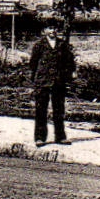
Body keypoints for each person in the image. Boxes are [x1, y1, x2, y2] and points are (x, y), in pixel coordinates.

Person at [29, 16, 76, 147]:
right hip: (43, 81)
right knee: (41, 110)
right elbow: (33, 63)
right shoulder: (39, 45)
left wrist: (72, 72)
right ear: (44, 30)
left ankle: (60, 137)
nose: (52, 31)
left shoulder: (62, 45)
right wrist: (35, 79)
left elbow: (69, 60)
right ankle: (40, 138)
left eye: (55, 28)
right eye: (50, 28)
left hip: (58, 81)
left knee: (59, 110)